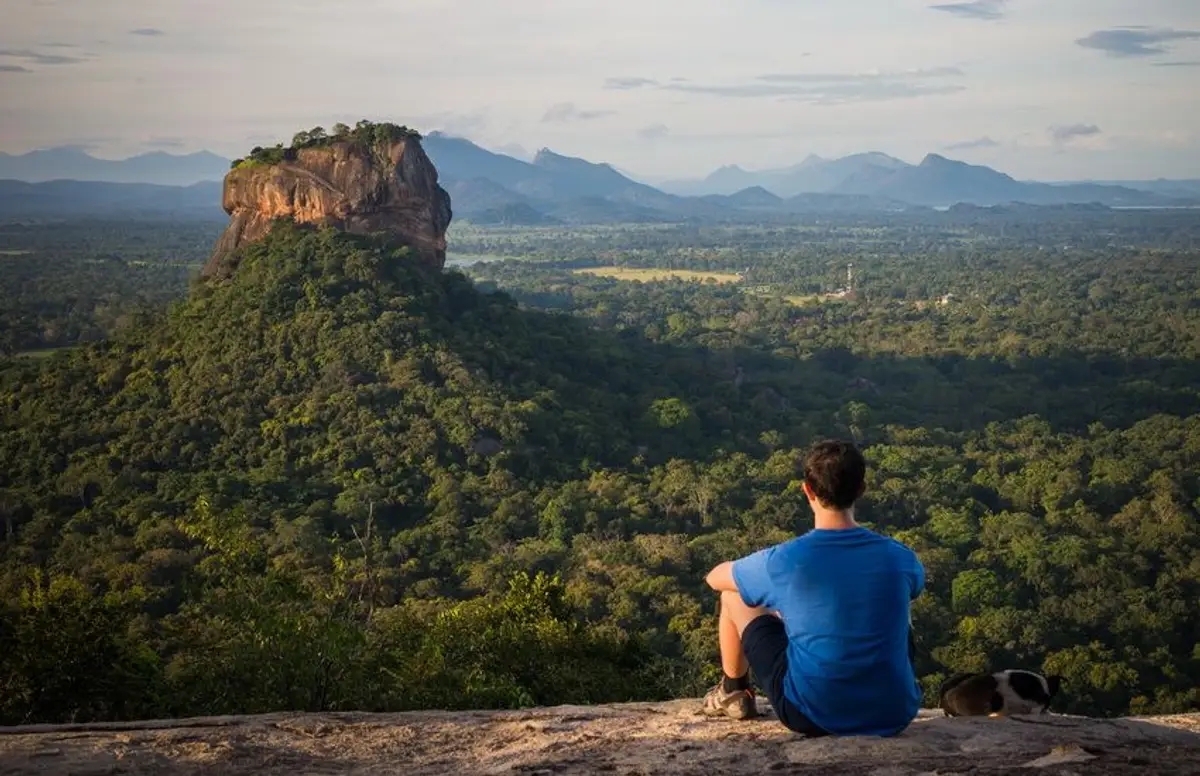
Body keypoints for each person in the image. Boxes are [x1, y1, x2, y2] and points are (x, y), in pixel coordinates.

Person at [701, 439, 924, 737]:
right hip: (894, 713)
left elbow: (714, 578)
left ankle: (734, 691)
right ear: (861, 489)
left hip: (811, 713)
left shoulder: (786, 560)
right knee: (893, 603)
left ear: (807, 490)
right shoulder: (901, 557)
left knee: (733, 595)